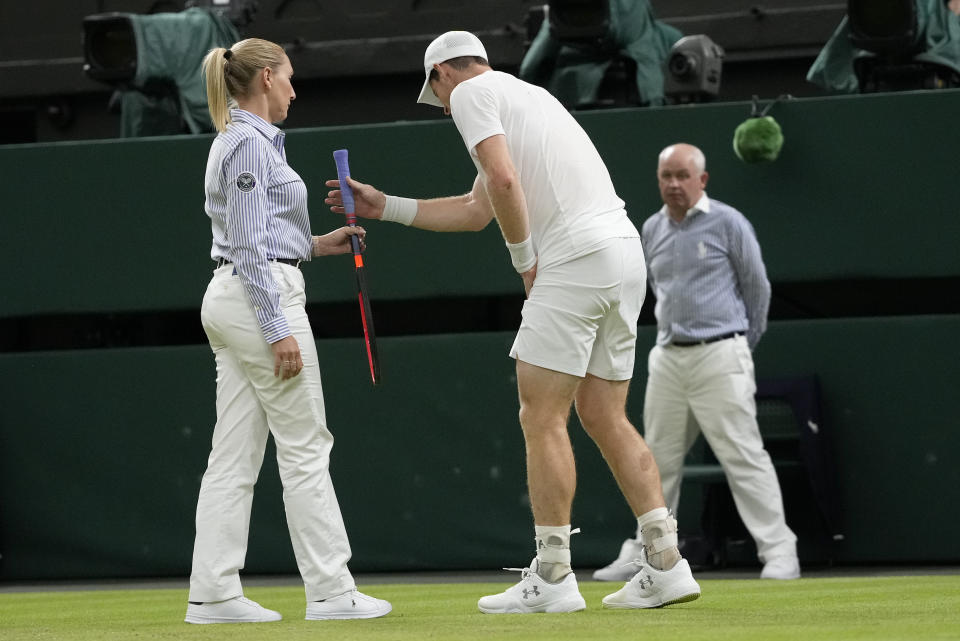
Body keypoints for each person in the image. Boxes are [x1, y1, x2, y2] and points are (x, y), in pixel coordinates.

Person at [325, 30, 701, 613]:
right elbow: (479, 207)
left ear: (443, 75)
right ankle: (666, 562)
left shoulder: (472, 95)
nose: (444, 109)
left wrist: (526, 262)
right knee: (602, 413)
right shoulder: (530, 97)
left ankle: (552, 575)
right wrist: (387, 207)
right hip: (623, 256)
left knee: (540, 413)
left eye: (438, 97)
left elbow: (503, 183)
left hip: (574, 259)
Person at [184, 38, 392, 624]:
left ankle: (213, 593)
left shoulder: (244, 141)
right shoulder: (249, 144)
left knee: (233, 456)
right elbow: (250, 247)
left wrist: (317, 245)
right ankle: (330, 591)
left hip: (237, 297)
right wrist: (277, 327)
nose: (295, 90)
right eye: (291, 78)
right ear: (268, 78)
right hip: (259, 302)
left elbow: (262, 237)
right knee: (305, 446)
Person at [593, 143, 800, 582]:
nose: (673, 184)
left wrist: (739, 344)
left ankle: (780, 552)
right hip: (668, 358)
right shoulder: (651, 228)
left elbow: (757, 289)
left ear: (701, 180)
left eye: (682, 175)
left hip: (721, 354)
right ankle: (645, 551)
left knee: (742, 454)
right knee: (655, 461)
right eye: (666, 176)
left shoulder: (729, 223)